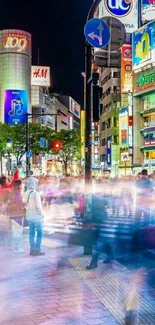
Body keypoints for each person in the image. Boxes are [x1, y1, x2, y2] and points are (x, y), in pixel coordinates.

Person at [23, 177, 44, 256]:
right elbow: (38, 206)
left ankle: (32, 249)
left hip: (29, 216)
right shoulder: (35, 194)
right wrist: (42, 214)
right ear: (34, 184)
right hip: (36, 217)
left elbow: (25, 205)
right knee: (39, 233)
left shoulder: (25, 193)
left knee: (31, 232)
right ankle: (37, 249)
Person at [7, 180, 25, 253]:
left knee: (14, 231)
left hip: (12, 215)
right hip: (18, 214)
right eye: (21, 185)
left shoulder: (11, 193)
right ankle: (16, 248)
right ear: (19, 186)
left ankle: (15, 247)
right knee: (18, 231)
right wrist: (25, 203)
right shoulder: (18, 193)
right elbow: (19, 203)